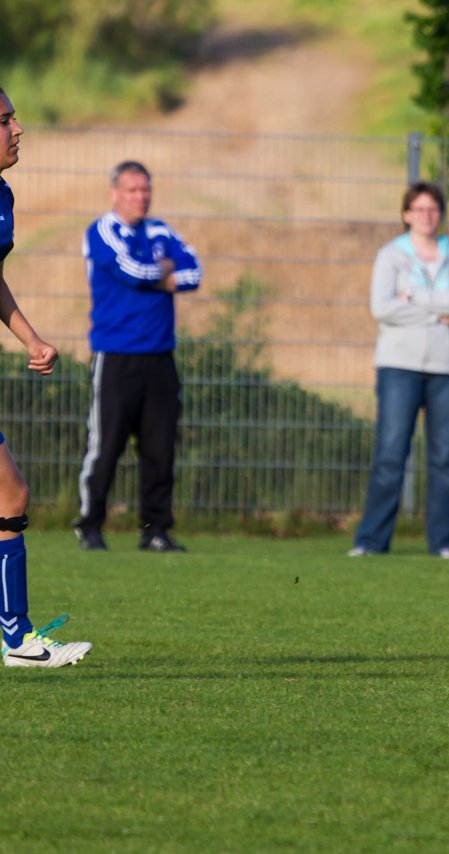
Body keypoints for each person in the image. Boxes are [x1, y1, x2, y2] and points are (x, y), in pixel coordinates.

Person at [0, 86, 93, 667]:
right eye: (5, 119)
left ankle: (18, 639)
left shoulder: (2, 197)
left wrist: (29, 336)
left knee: (9, 493)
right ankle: (17, 640)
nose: (18, 128)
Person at [75, 161, 201, 553]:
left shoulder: (161, 230)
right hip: (116, 356)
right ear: (115, 193)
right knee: (106, 445)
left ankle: (155, 530)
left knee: (160, 449)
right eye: (132, 190)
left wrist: (163, 274)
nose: (140, 197)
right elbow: (131, 271)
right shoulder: (101, 231)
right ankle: (90, 526)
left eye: (145, 189)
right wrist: (163, 273)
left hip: (160, 357)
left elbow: (194, 272)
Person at [349, 182, 449, 559]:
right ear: (405, 214)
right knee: (390, 453)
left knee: (444, 458)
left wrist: (416, 298)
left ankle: (444, 542)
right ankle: (371, 540)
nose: (426, 215)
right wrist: (439, 309)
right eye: (418, 209)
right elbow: (382, 308)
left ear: (440, 214)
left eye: (432, 209)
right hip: (398, 365)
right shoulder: (390, 256)